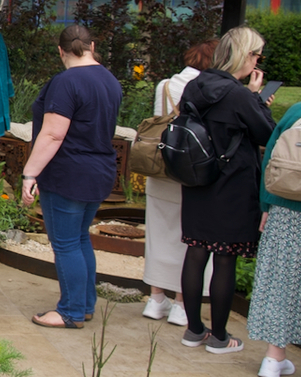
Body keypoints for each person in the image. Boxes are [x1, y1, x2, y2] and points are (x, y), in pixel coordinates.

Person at [178, 26, 275, 354]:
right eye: (256, 54)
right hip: (232, 185)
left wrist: (250, 97)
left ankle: (194, 330)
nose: (258, 60)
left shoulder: (195, 86)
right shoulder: (238, 95)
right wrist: (258, 100)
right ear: (244, 55)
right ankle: (219, 337)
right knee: (225, 259)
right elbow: (266, 134)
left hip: (198, 179)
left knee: (195, 253)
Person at [21, 25, 122, 329]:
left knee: (65, 243)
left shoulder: (66, 82)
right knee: (80, 239)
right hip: (99, 170)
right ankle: (85, 305)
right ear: (92, 45)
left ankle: (71, 311)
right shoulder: (109, 79)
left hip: (69, 172)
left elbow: (53, 134)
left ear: (60, 51)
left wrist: (30, 173)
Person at [141, 39, 218, 326]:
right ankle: (182, 303)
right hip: (193, 171)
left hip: (162, 167)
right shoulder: (210, 89)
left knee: (159, 233)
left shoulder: (165, 86)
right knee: (191, 238)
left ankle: (155, 298)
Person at [248, 97, 301, 377]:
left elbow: (270, 159)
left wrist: (266, 205)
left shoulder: (298, 111)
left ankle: (273, 358)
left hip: (284, 207)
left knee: (280, 280)